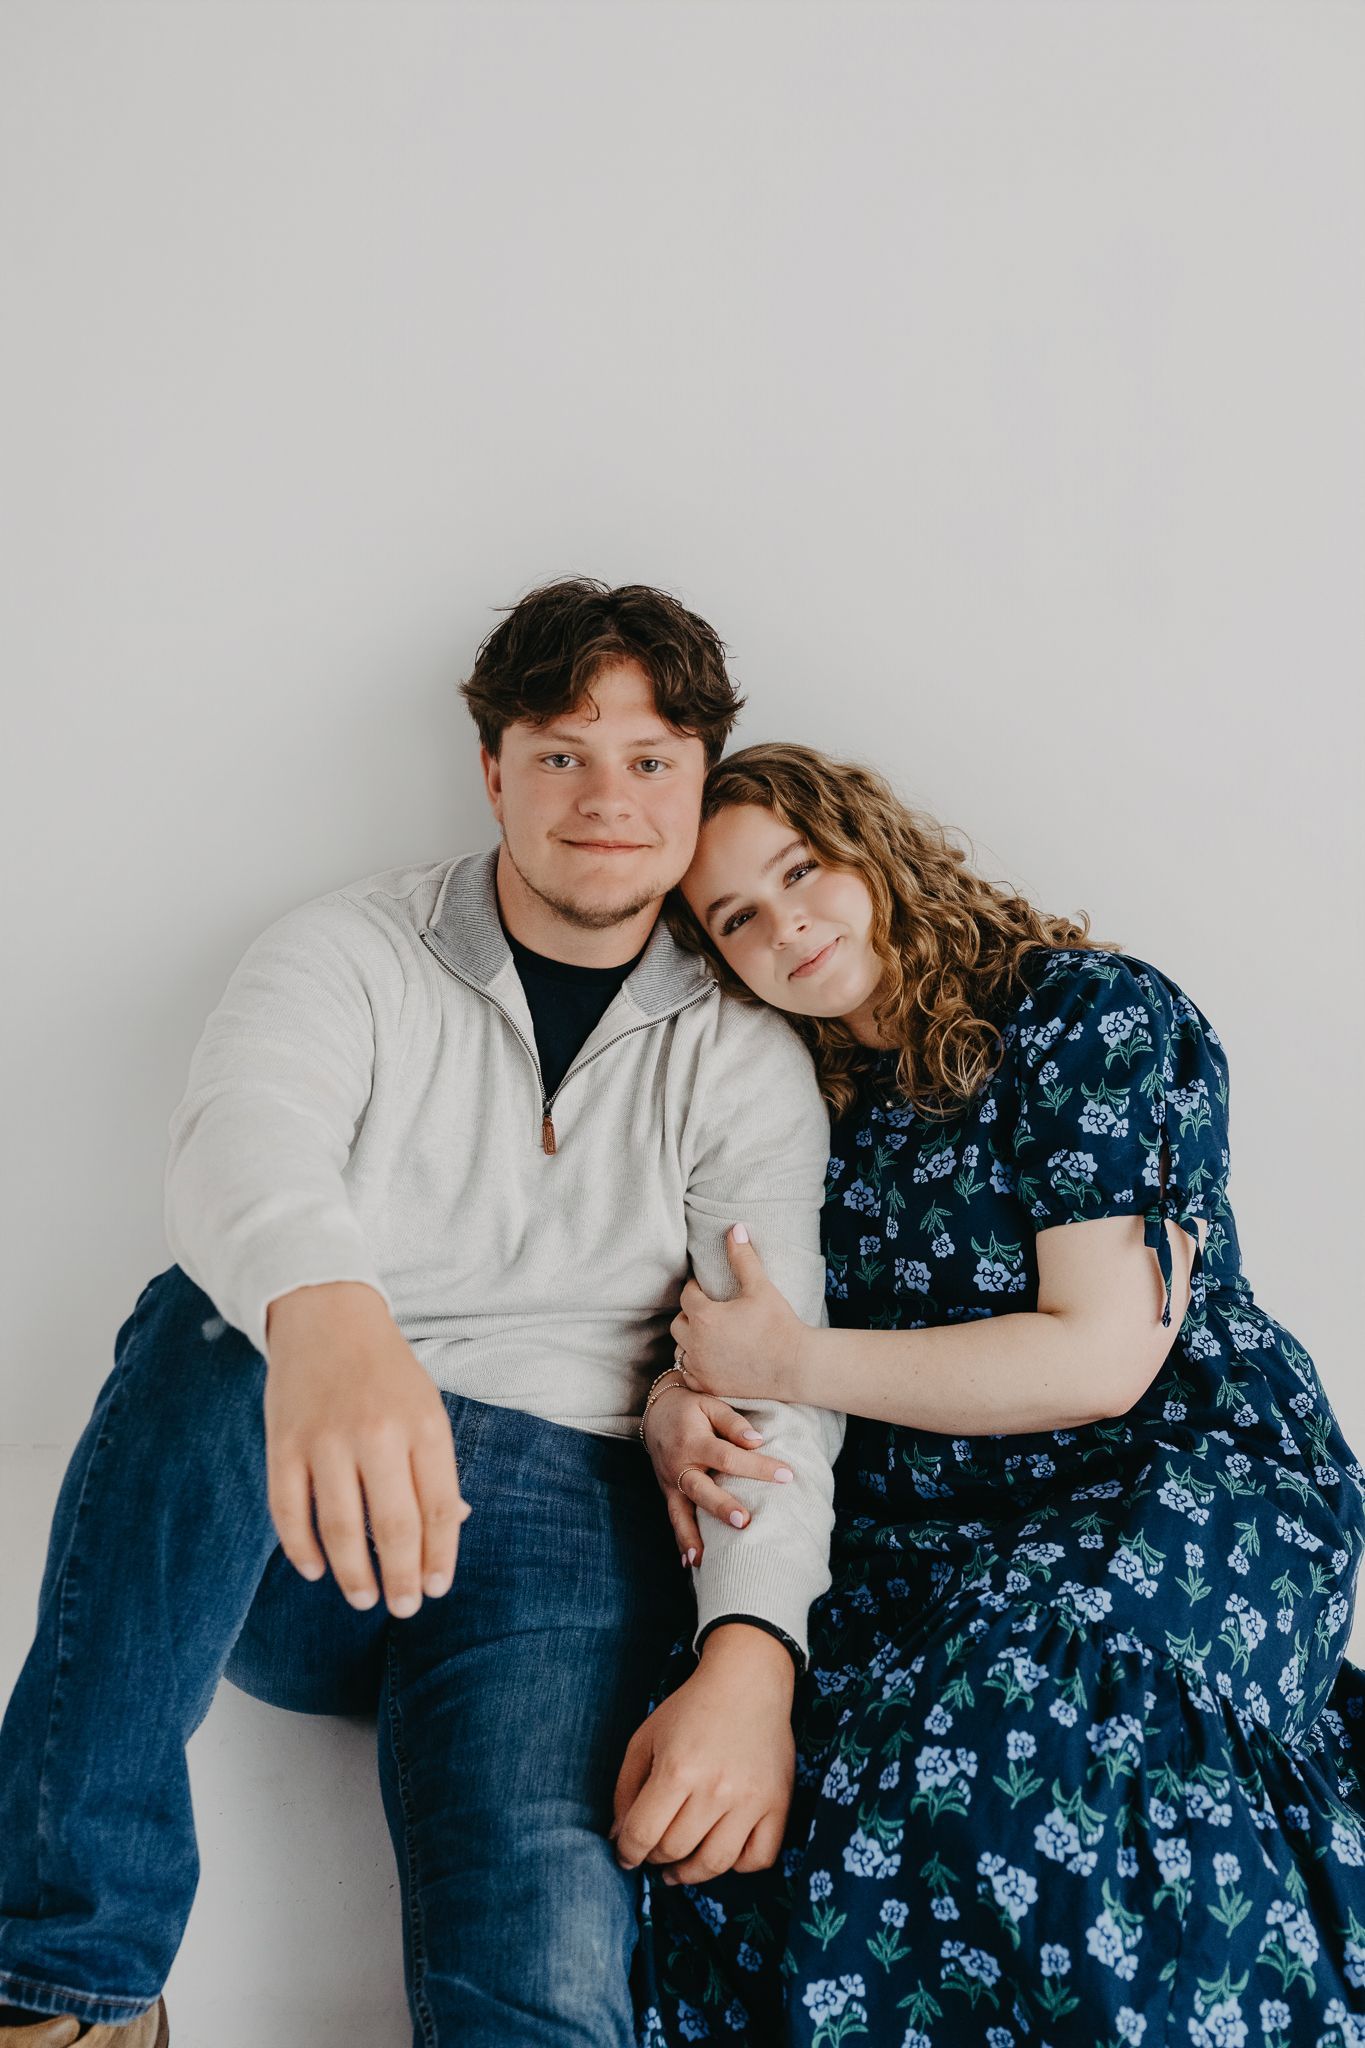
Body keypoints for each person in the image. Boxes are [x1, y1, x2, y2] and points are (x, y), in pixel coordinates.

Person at [0, 585, 846, 2048]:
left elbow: (771, 1371)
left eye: (650, 761)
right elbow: (240, 1139)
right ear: (492, 769)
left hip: (567, 1529)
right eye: (561, 752)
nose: (606, 799)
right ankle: (69, 1987)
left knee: (543, 1975)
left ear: (700, 778)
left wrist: (752, 1652)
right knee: (205, 1325)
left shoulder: (742, 1057)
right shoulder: (348, 949)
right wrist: (337, 1329)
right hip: (303, 1512)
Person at [631, 742, 1365, 2047]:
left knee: (1023, 1693)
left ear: (871, 849)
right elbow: (705, 1331)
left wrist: (785, 1364)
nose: (784, 923)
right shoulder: (781, 1108)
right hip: (919, 1543)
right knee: (725, 1801)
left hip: (1170, 1487)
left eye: (800, 869)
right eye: (734, 915)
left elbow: (1100, 1357)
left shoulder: (1085, 1020)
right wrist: (678, 1400)